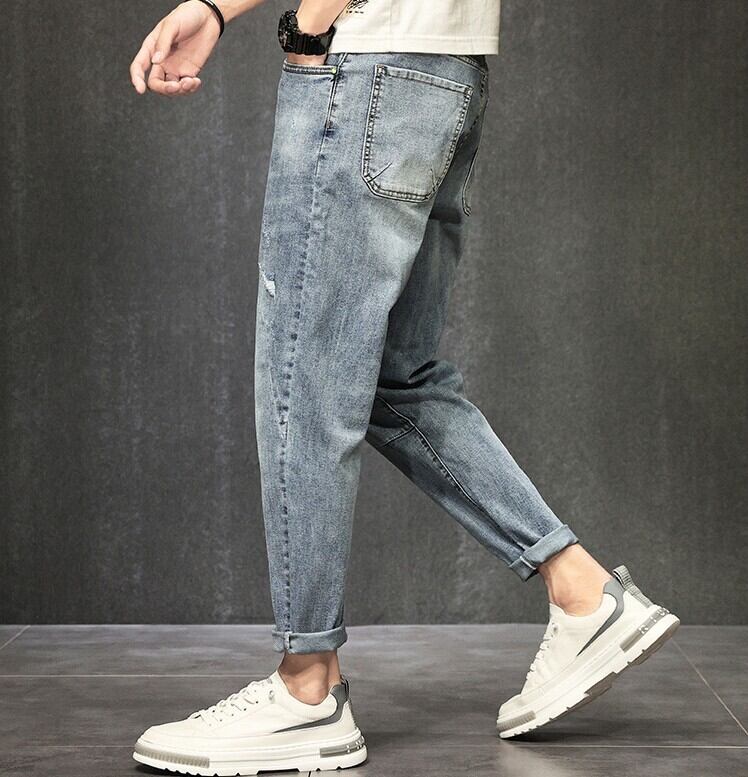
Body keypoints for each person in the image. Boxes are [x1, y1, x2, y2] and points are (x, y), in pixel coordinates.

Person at [128, 1, 680, 773]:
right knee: (394, 376)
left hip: (363, 73)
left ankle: (306, 688)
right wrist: (220, 9)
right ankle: (583, 592)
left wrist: (310, 27)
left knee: (303, 382)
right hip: (441, 74)